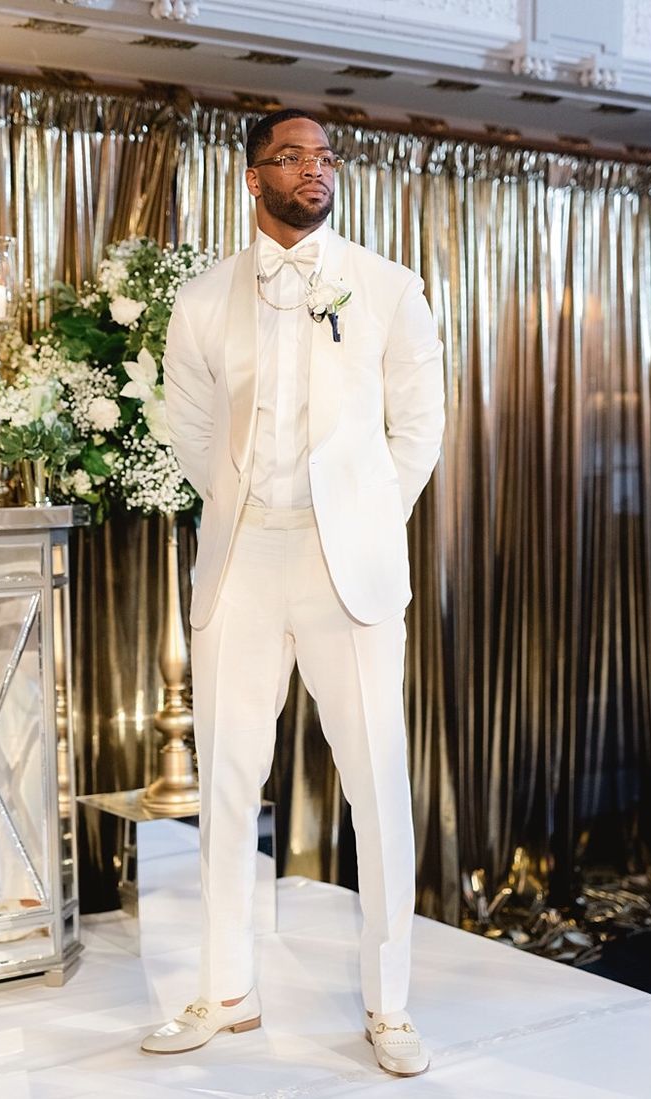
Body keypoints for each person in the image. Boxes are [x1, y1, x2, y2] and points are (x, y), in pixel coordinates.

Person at [141, 108, 445, 1078]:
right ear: (251, 178)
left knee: (375, 783)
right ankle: (226, 990)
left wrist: (363, 514)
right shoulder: (200, 299)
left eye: (323, 157)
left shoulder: (390, 289)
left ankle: (389, 1006)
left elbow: (419, 426)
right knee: (228, 779)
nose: (313, 170)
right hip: (242, 558)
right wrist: (240, 501)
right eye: (290, 157)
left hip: (344, 563)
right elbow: (187, 423)